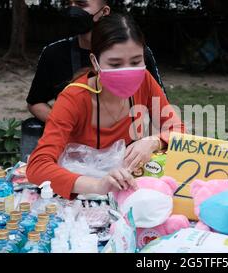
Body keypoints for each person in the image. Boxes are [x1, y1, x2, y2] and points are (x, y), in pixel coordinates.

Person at [26, 14, 185, 200]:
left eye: (135, 62)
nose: (127, 71)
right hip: (80, 193)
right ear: (95, 62)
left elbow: (177, 130)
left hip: (127, 186)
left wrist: (153, 141)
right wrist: (99, 185)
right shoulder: (73, 99)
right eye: (115, 64)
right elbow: (37, 167)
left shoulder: (145, 81)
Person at [26, 0, 166, 123]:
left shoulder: (135, 54)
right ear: (94, 61)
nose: (72, 10)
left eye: (81, 4)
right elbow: (35, 102)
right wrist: (65, 124)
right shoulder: (54, 53)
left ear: (104, 11)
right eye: (70, 4)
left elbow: (159, 107)